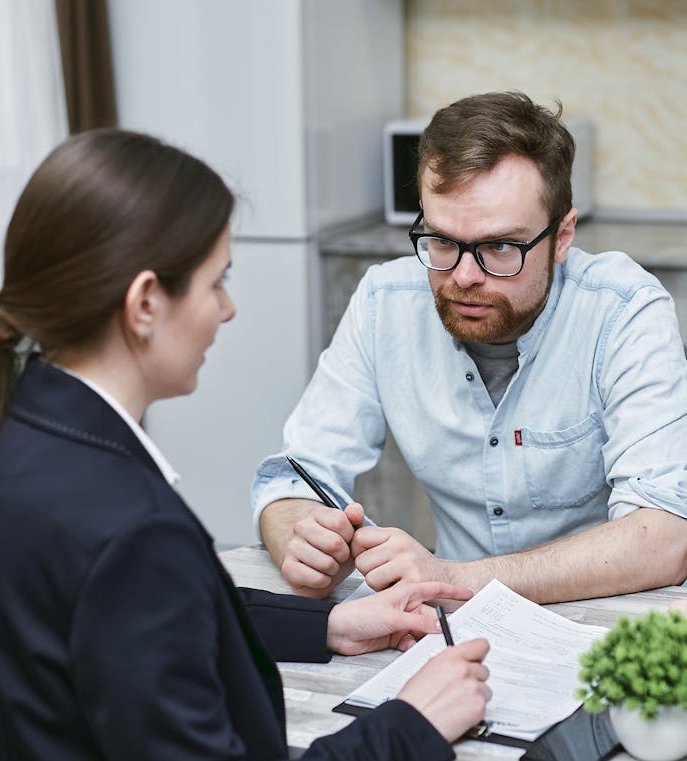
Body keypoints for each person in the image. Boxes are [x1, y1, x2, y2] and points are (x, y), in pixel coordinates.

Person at [0, 130, 492, 761]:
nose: (227, 310)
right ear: (146, 302)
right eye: (215, 281)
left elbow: (139, 620)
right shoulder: (134, 533)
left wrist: (327, 624)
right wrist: (410, 723)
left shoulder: (16, 432)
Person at [252, 91, 687, 604]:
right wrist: (299, 536)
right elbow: (294, 476)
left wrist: (457, 579)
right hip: (458, 622)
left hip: (606, 614)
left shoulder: (622, 310)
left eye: (499, 247)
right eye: (441, 240)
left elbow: (665, 535)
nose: (462, 276)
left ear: (563, 235)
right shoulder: (384, 302)